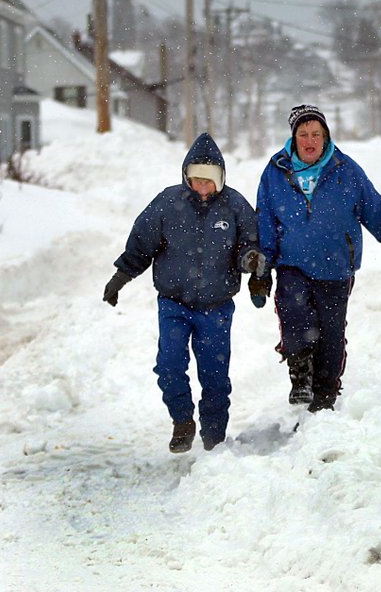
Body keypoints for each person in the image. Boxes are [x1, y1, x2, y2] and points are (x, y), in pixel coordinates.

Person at [254, 104, 381, 413]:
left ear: (326, 136)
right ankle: (300, 373)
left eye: (316, 133)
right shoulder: (275, 172)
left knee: (331, 334)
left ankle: (325, 394)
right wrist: (262, 268)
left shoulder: (346, 170)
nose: (310, 139)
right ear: (294, 137)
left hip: (335, 267)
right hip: (293, 264)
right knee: (293, 305)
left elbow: (377, 213)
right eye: (303, 134)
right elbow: (266, 222)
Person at [102, 132, 267, 453]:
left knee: (215, 376)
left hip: (216, 307)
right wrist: (121, 276)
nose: (203, 188)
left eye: (210, 181)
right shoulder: (167, 204)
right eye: (196, 180)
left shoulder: (235, 206)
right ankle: (182, 421)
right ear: (186, 176)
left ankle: (214, 439)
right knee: (169, 365)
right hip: (173, 304)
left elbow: (250, 245)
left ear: (221, 179)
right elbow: (141, 244)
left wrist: (251, 260)